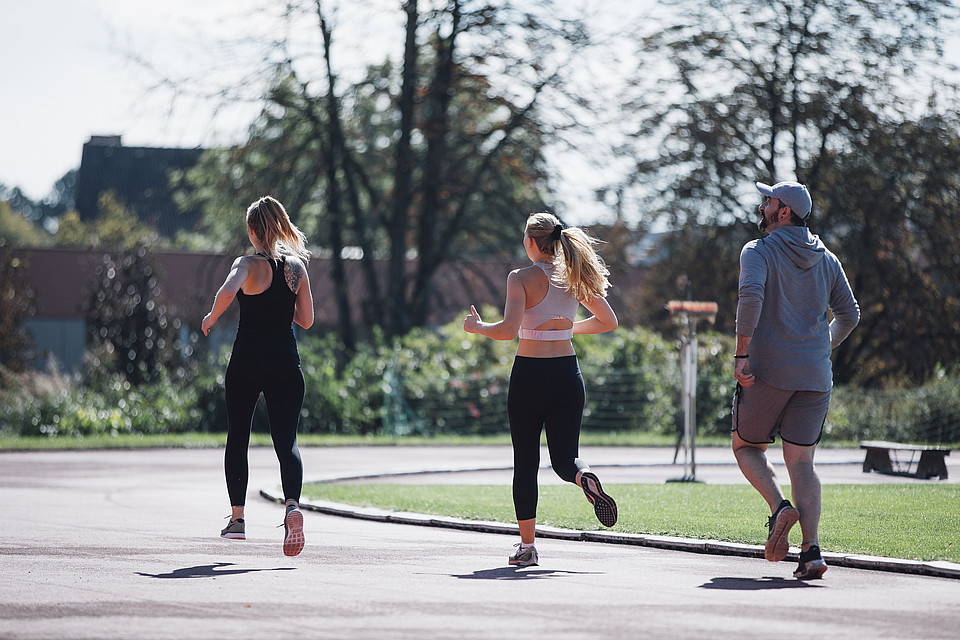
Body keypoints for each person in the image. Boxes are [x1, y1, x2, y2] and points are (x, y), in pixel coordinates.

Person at [463, 212, 619, 567]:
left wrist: (477, 326)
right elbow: (609, 321)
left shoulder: (520, 277)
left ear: (531, 241)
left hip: (530, 376)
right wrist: (563, 329)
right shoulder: (573, 275)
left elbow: (506, 330)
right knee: (565, 460)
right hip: (567, 373)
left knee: (526, 463)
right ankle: (584, 476)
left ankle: (528, 547)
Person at [733, 180, 859, 579]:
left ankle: (778, 507)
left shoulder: (758, 251)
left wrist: (741, 354)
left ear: (782, 212)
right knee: (802, 461)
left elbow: (750, 297)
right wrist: (821, 348)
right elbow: (850, 315)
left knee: (746, 447)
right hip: (816, 375)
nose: (762, 205)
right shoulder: (828, 258)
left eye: (767, 200)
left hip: (767, 371)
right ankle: (812, 552)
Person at [201, 195, 314, 557]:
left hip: (247, 361)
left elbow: (227, 290)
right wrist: (282, 309)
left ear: (252, 230)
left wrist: (211, 317)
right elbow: (307, 320)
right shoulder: (296, 268)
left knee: (238, 437)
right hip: (285, 362)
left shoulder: (246, 264)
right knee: (287, 442)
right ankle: (292, 506)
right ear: (279, 226)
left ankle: (237, 520)